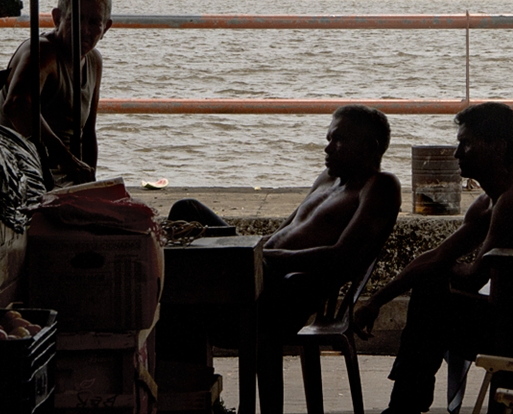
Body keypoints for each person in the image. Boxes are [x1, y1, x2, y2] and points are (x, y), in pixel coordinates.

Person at [167, 104, 402, 414]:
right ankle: (190, 390)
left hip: (288, 291)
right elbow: (283, 231)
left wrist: (262, 256)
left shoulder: (379, 187)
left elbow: (341, 256)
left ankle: (188, 379)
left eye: (339, 140)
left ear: (369, 147)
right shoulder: (328, 178)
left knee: (178, 299)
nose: (328, 147)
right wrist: (253, 251)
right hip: (262, 266)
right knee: (188, 210)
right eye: (328, 138)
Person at [354, 102, 513, 414]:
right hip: (512, 323)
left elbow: (473, 278)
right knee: (430, 287)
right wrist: (376, 300)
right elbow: (436, 256)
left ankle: (404, 404)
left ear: (497, 148)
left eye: (466, 143)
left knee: (432, 297)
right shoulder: (489, 202)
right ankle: (405, 402)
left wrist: (439, 269)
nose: (457, 153)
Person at [0, 0, 112, 188]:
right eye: (76, 19)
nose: (85, 30)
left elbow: (88, 132)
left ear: (106, 28)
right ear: (57, 18)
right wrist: (64, 158)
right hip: (19, 174)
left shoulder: (94, 60)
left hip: (63, 179)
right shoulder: (42, 52)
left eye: (94, 22)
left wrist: (88, 184)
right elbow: (16, 105)